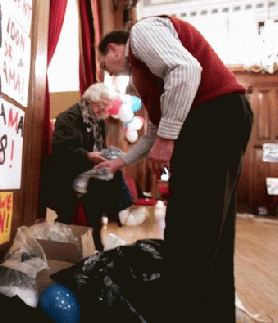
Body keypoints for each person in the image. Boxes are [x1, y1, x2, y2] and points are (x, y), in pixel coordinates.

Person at [96, 16, 254, 322]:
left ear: (114, 49)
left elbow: (186, 70)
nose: (107, 72)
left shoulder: (142, 33)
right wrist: (122, 161)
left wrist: (167, 141)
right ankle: (213, 314)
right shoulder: (143, 76)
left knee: (190, 232)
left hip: (213, 116)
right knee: (214, 232)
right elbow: (154, 130)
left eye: (104, 64)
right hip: (215, 118)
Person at [45, 82, 133, 252]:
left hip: (89, 171)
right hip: (66, 172)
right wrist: (87, 155)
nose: (105, 110)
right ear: (91, 100)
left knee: (111, 177)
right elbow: (61, 149)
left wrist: (104, 155)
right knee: (66, 214)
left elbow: (99, 146)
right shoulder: (68, 118)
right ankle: (58, 248)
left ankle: (99, 239)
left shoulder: (99, 122)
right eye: (102, 105)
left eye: (107, 107)